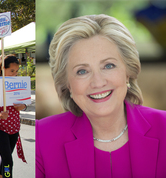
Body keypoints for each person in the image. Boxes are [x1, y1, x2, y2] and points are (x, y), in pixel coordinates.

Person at [35, 14, 166, 178]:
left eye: (108, 65)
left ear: (128, 72)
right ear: (67, 83)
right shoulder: (41, 137)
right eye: (82, 71)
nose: (97, 82)